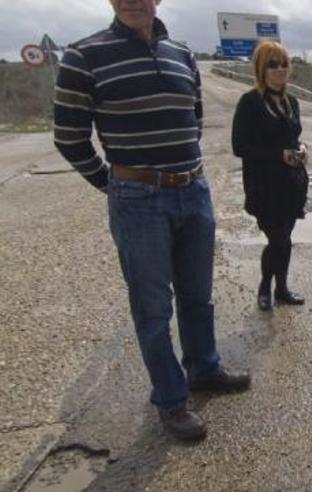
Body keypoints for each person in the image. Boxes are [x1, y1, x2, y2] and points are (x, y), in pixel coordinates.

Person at [53, 0, 249, 441]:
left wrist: (182, 171)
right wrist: (111, 183)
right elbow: (68, 135)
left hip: (193, 190)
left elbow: (193, 118)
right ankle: (171, 400)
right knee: (153, 310)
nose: (133, 1)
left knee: (199, 296)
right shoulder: (84, 56)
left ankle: (204, 369)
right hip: (137, 199)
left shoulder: (181, 53)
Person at [232, 41, 309, 311]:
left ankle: (282, 288)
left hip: (291, 184)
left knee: (285, 236)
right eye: (272, 65)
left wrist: (301, 148)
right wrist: (279, 155)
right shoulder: (249, 102)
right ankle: (266, 287)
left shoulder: (292, 102)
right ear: (261, 70)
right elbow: (239, 146)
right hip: (264, 185)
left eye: (284, 64)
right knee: (277, 239)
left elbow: (293, 137)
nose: (279, 69)